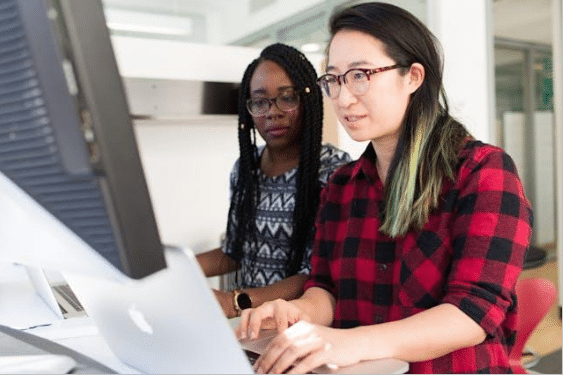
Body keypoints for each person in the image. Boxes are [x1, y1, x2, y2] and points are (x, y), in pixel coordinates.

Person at [236, 3, 533, 374]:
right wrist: (297, 312)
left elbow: (473, 312)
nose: (343, 98)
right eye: (334, 79)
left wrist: (347, 342)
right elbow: (326, 289)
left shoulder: (482, 171)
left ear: (413, 77)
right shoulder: (341, 186)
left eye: (360, 75)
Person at [197, 43, 351, 319]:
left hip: (301, 327)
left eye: (287, 98)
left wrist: (235, 302)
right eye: (259, 101)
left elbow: (316, 274)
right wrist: (175, 269)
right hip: (250, 327)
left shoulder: (334, 172)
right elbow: (235, 251)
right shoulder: (246, 169)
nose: (272, 112)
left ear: (308, 100)